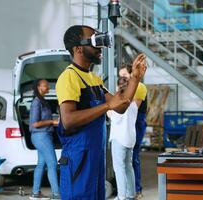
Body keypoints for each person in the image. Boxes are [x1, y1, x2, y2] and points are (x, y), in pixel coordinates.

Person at [55, 25, 146, 200]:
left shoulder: (93, 78)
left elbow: (120, 106)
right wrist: (105, 107)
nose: (100, 47)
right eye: (95, 42)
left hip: (95, 157)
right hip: (78, 159)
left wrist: (135, 78)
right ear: (78, 48)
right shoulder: (69, 77)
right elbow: (68, 120)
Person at [107, 77, 144, 200]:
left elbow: (115, 118)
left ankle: (121, 196)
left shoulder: (119, 103)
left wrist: (108, 111)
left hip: (119, 139)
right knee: (128, 166)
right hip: (130, 139)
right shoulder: (133, 103)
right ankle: (130, 194)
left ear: (118, 88)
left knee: (119, 168)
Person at [119, 64, 147, 199]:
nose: (122, 78)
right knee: (125, 160)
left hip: (136, 123)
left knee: (133, 158)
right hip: (127, 124)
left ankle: (136, 190)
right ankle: (128, 190)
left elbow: (133, 108)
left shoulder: (139, 87)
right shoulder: (126, 88)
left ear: (132, 74)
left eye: (124, 75)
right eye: (120, 76)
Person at [29, 79, 60, 200]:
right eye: (45, 85)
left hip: (42, 136)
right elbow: (35, 123)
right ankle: (57, 194)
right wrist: (52, 121)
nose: (47, 86)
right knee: (52, 163)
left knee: (41, 164)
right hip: (41, 136)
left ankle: (35, 193)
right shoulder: (37, 102)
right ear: (38, 87)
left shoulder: (43, 101)